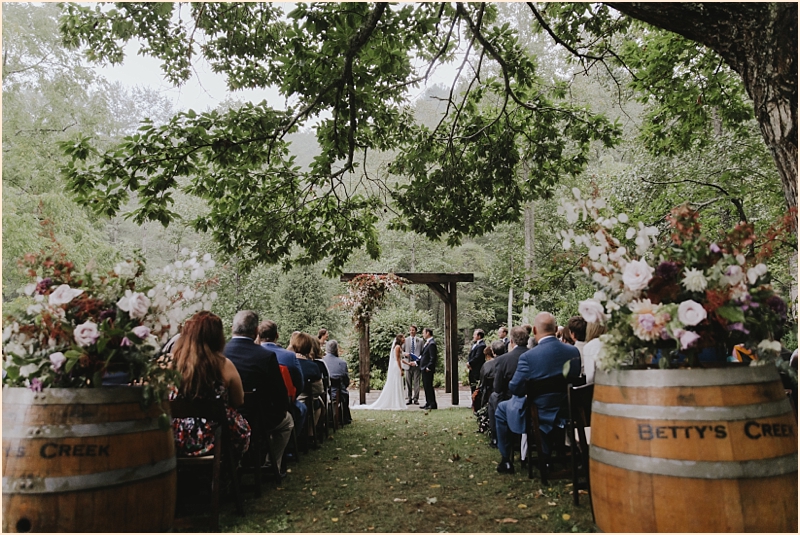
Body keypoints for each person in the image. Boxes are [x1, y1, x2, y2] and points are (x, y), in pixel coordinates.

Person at [495, 312, 580, 474]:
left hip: (537, 410)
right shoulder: (573, 352)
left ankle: (506, 460)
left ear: (534, 330)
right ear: (556, 329)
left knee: (501, 409)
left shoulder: (529, 357)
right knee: (545, 406)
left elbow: (516, 388)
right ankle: (546, 457)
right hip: (565, 408)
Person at [170, 311, 251, 463]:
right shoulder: (224, 365)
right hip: (216, 439)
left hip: (177, 439)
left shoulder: (171, 366)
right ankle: (227, 475)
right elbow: (239, 400)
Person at [224, 310, 293, 475]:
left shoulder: (219, 353)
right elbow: (280, 395)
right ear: (256, 332)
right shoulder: (266, 356)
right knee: (287, 422)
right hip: (258, 419)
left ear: (233, 328)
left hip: (224, 419)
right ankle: (271, 465)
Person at [257, 319, 308, 437]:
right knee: (302, 409)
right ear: (277, 336)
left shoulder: (252, 354)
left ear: (258, 335)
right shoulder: (289, 356)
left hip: (254, 406)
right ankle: (292, 446)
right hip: (282, 404)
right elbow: (300, 383)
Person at [487, 326, 528, 448]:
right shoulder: (536, 354)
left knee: (494, 398)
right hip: (534, 398)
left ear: (511, 341)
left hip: (511, 399)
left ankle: (496, 438)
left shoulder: (504, 359)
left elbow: (498, 387)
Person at [353, 334, 408, 410]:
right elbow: (398, 359)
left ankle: (396, 401)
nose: (404, 339)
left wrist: (408, 363)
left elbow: (400, 358)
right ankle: (396, 402)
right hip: (397, 366)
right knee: (396, 383)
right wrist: (401, 369)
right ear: (399, 339)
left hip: (397, 365)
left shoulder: (398, 347)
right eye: (403, 338)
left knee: (397, 383)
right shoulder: (397, 347)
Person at [322, 339, 352, 424]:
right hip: (338, 392)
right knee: (345, 394)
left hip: (324, 392)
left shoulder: (322, 361)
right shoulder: (342, 363)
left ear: (327, 349)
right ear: (336, 349)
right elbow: (346, 380)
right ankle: (345, 417)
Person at [402, 325, 424, 405]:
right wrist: (405, 354)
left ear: (416, 331)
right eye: (410, 330)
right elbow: (401, 351)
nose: (412, 331)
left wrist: (418, 360)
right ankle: (409, 398)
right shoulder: (406, 340)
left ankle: (416, 399)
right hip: (408, 363)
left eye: (413, 330)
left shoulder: (420, 340)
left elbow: (422, 352)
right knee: (408, 382)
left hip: (416, 364)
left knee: (416, 382)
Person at [418, 328, 438, 410]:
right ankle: (428, 402)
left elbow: (433, 358)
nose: (423, 334)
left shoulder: (432, 343)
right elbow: (423, 356)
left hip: (427, 369)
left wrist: (428, 367)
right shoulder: (428, 343)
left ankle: (432, 403)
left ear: (428, 333)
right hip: (423, 367)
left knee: (429, 386)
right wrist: (417, 362)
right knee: (426, 386)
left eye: (423, 333)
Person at [466, 329, 486, 393]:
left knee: (476, 386)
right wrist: (468, 363)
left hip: (477, 369)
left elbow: (477, 357)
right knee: (472, 386)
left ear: (479, 336)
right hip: (472, 368)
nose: (473, 336)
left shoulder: (482, 345)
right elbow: (471, 355)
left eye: (474, 335)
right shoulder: (475, 344)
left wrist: (470, 363)